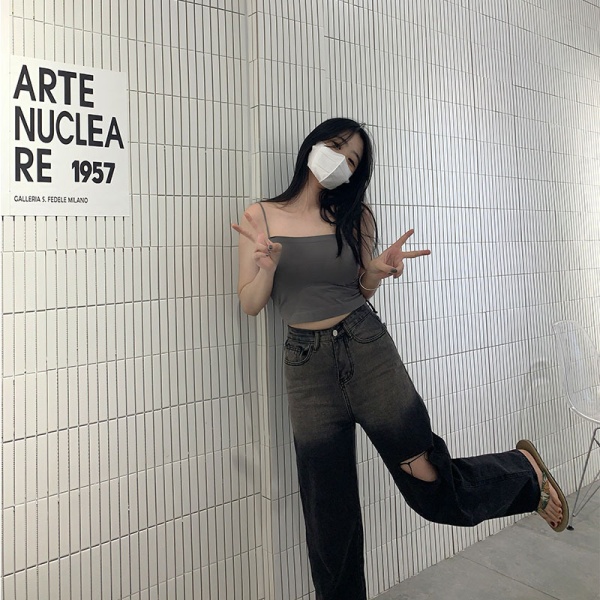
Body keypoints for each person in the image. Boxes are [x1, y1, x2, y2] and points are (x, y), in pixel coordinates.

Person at [232, 118, 568, 600]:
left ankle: (522, 473)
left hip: (366, 347)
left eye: (352, 160)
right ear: (313, 145)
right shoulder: (259, 217)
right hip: (306, 367)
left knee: (427, 478)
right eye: (335, 147)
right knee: (327, 512)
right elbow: (250, 302)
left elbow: (357, 290)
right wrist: (265, 268)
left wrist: (373, 273)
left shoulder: (356, 216)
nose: (340, 162)